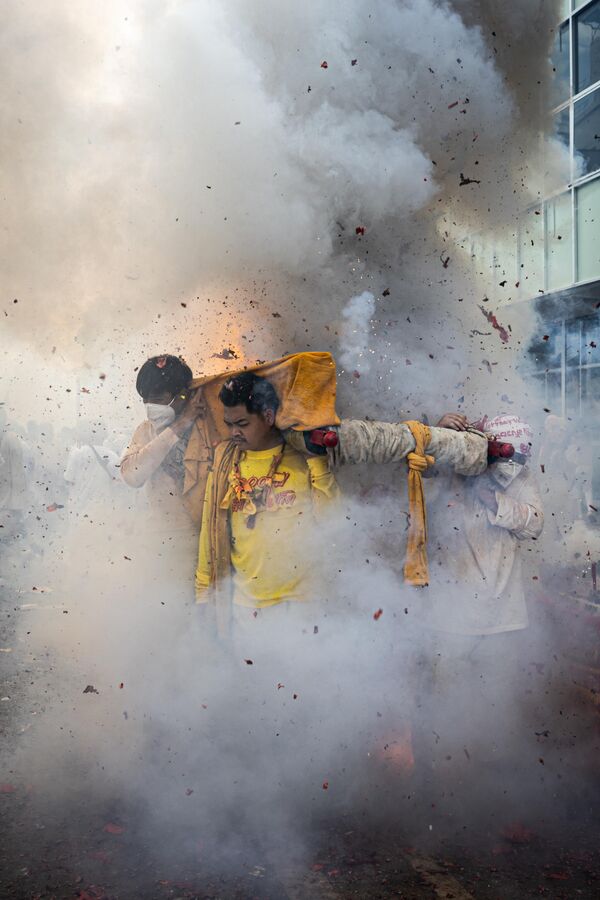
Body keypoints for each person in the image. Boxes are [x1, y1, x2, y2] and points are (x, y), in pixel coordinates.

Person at [195, 372, 338, 619]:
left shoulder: (303, 455)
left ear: (268, 416)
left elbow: (333, 521)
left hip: (306, 603)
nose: (234, 433)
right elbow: (210, 528)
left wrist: (317, 461)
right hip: (246, 607)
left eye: (242, 424)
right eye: (229, 424)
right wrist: (203, 594)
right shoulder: (225, 460)